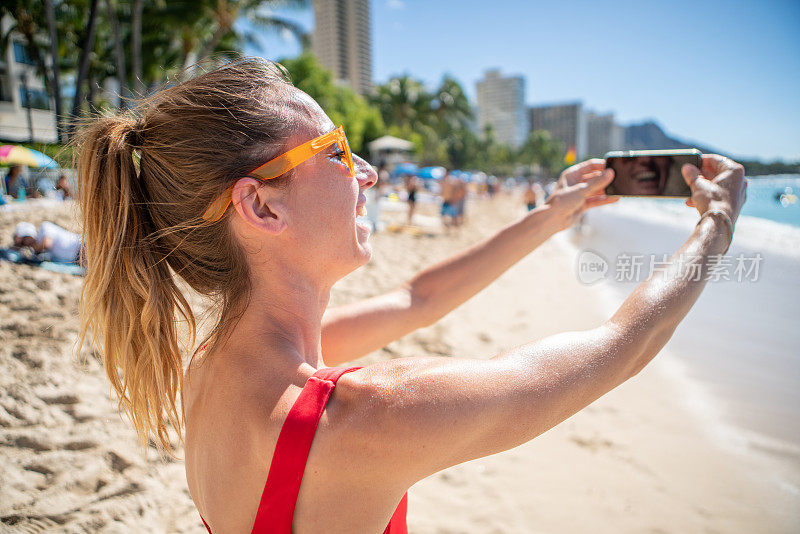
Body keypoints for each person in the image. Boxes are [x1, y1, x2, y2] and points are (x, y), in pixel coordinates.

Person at [74, 58, 746, 534]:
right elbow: (620, 349)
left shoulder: (212, 370)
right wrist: (717, 223)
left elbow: (416, 300)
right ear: (260, 206)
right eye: (336, 151)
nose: (366, 173)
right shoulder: (366, 419)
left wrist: (551, 214)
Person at [10, 220, 83, 263]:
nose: (26, 243)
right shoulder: (39, 248)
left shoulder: (44, 227)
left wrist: (32, 250)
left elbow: (47, 244)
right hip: (78, 257)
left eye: (23, 240)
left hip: (82, 245)